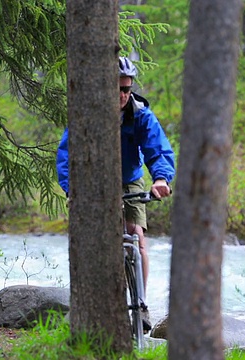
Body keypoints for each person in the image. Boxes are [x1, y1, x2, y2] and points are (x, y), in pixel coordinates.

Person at [56, 56, 176, 330]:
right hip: (95, 182)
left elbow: (157, 149)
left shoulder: (140, 114)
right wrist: (72, 189)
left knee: (136, 235)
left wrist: (160, 179)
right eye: (117, 89)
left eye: (127, 89)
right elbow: (66, 153)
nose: (123, 95)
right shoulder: (88, 114)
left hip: (130, 180)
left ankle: (141, 306)